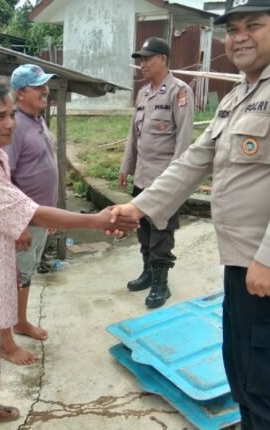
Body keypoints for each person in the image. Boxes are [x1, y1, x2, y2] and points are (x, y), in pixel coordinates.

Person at [109, 1, 270, 427]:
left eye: (254, 25)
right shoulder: (240, 95)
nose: (239, 37)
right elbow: (195, 160)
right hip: (243, 264)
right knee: (243, 377)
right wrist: (139, 207)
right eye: (233, 29)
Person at [0, 79, 138, 429]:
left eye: (11, 115)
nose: (10, 123)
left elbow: (10, 213)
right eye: (0, 116)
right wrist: (95, 221)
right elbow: (31, 212)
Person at [119, 36, 195, 309]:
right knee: (143, 229)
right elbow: (134, 134)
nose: (142, 64)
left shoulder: (179, 91)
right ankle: (148, 273)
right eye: (140, 59)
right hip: (142, 175)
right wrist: (126, 165)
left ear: (163, 59)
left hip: (164, 179)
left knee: (162, 231)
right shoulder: (143, 93)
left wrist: (176, 180)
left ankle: (162, 284)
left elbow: (183, 140)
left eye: (147, 58)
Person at [0, 64, 58, 366]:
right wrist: (17, 224)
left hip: (40, 218)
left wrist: (52, 218)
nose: (45, 91)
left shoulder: (38, 120)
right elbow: (5, 178)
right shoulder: (16, 127)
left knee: (26, 273)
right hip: (25, 220)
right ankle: (7, 337)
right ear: (20, 93)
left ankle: (20, 322)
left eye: (45, 85)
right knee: (15, 277)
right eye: (38, 87)